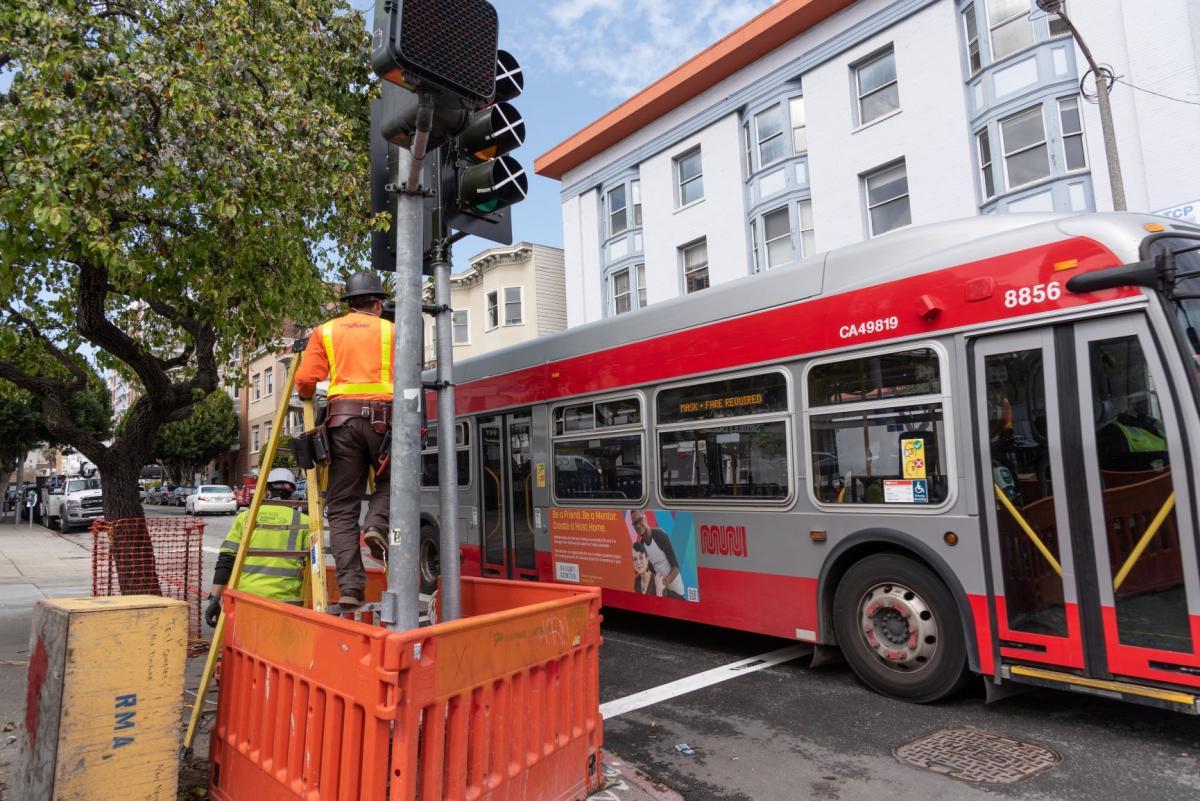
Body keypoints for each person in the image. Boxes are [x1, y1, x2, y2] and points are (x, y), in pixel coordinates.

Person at [296, 271, 392, 611]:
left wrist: (309, 395)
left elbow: (306, 380)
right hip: (385, 423)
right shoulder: (392, 331)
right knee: (392, 484)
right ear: (378, 303)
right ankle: (377, 525)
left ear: (349, 303)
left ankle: (350, 588)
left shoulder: (326, 331)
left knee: (341, 507)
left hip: (341, 423)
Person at [205, 468, 310, 626]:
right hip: (285, 601)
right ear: (292, 492)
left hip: (247, 598)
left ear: (266, 490)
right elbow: (311, 565)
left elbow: (226, 560)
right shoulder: (303, 521)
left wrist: (215, 598)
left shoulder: (246, 517)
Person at [630, 509, 686, 599]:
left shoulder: (660, 535)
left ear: (645, 517)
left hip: (675, 587)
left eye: (639, 520)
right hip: (662, 591)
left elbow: (676, 568)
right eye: (634, 523)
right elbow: (651, 570)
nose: (637, 525)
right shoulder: (642, 545)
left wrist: (664, 583)